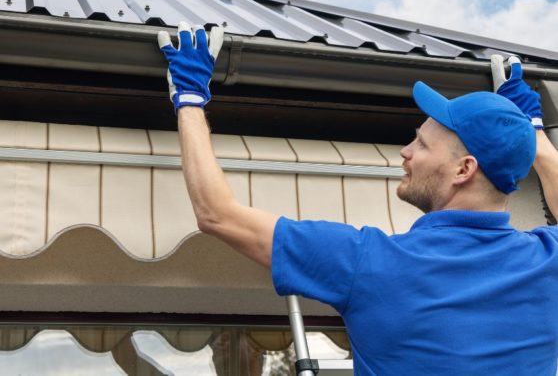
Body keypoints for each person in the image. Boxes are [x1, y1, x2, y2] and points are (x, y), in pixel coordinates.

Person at [158, 23, 558, 376]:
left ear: (463, 170)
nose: (405, 151)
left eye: (421, 143)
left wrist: (190, 100)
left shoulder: (370, 263)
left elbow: (217, 214)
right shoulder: (546, 263)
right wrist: (532, 138)